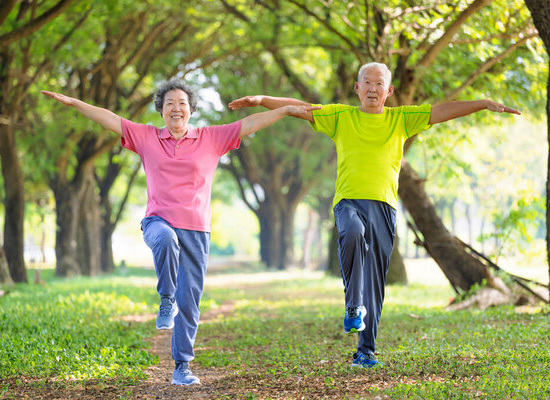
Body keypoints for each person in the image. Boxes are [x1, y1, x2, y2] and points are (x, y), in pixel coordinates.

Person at [229, 62, 520, 368]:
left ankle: (365, 351)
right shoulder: (341, 116)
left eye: (379, 84)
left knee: (376, 283)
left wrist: (483, 105)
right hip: (349, 202)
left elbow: (441, 111)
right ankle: (353, 305)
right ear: (357, 88)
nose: (372, 88)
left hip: (384, 207)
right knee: (352, 233)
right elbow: (299, 108)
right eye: (366, 83)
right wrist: (262, 100)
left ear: (389, 91)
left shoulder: (401, 119)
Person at [42, 80, 317, 385]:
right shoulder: (146, 137)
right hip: (158, 221)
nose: (176, 108)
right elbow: (107, 117)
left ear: (190, 110)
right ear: (161, 110)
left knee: (191, 303)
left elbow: (250, 122)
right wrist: (74, 103)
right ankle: (165, 298)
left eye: (182, 103)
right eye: (170, 103)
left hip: (197, 230)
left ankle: (181, 367)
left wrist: (288, 109)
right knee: (165, 240)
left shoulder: (211, 138)